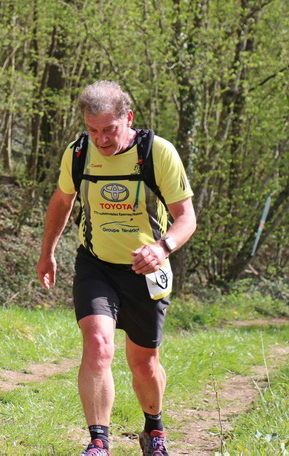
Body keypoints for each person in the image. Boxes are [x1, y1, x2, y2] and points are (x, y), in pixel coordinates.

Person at [36, 80, 196, 456]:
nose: (102, 140)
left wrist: (163, 247)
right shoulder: (78, 153)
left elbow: (186, 217)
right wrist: (47, 253)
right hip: (97, 265)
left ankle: (154, 430)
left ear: (129, 117)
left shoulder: (157, 153)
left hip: (146, 268)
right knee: (97, 345)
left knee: (143, 362)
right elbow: (61, 202)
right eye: (93, 131)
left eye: (109, 129)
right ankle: (98, 442)